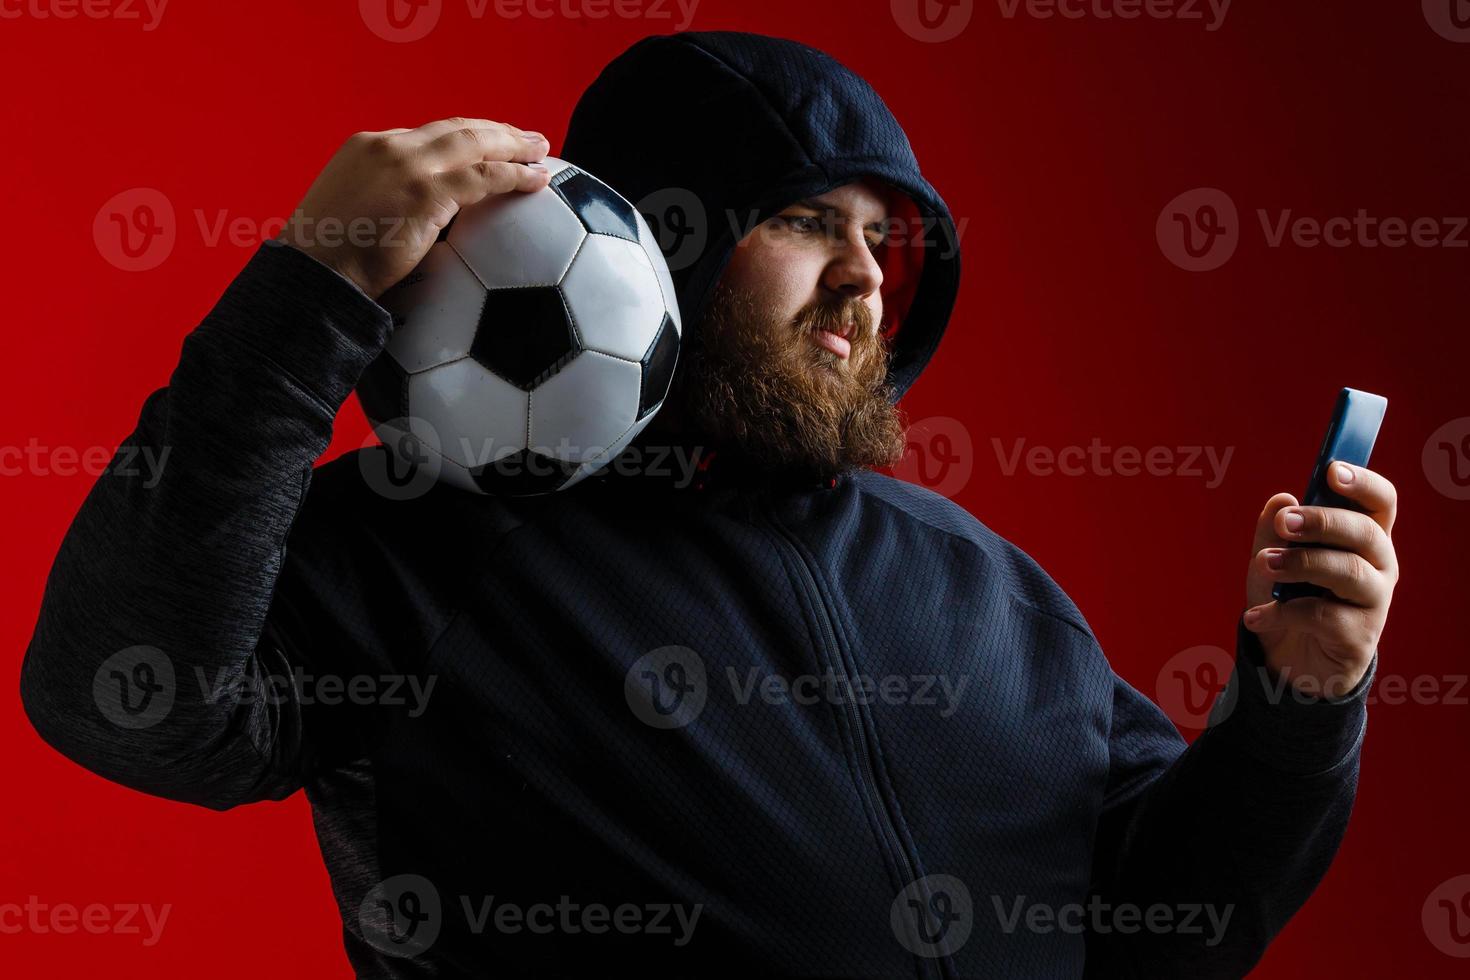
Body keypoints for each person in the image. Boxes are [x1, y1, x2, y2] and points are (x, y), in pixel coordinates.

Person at [20, 30, 1397, 978]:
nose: (864, 277)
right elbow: (123, 703)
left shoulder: (982, 579)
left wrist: (1298, 704)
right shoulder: (429, 544)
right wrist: (304, 302)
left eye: (886, 234)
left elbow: (1164, 936)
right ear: (645, 256)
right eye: (804, 220)